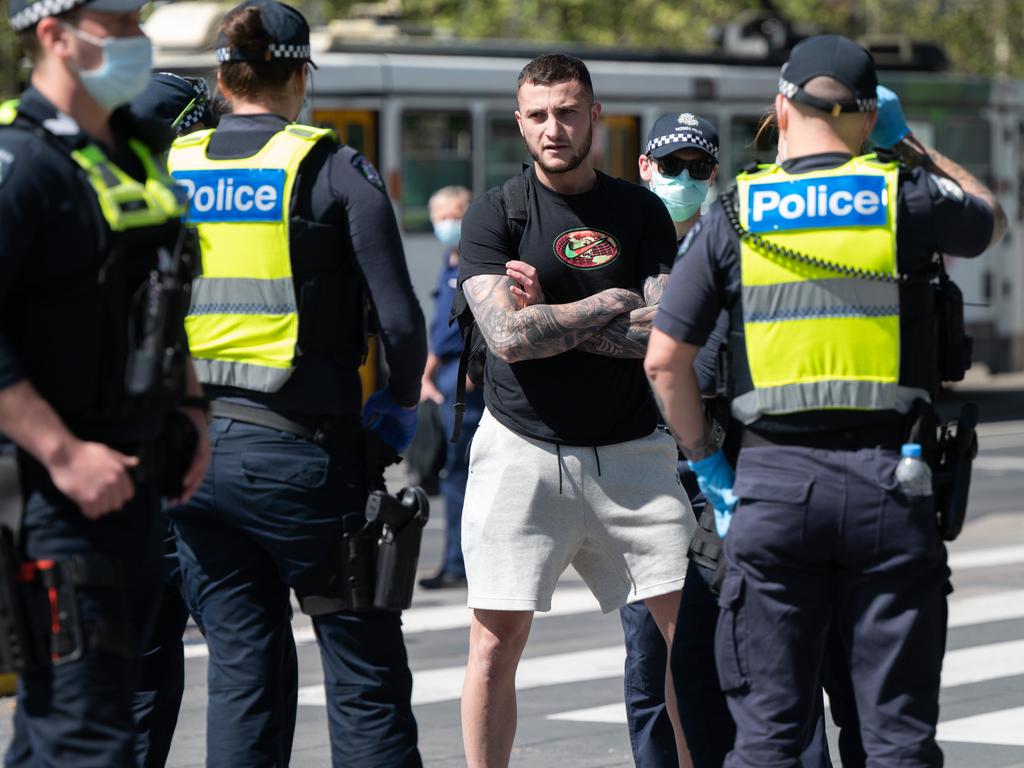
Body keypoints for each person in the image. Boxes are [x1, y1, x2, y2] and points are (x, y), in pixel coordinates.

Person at [646, 34, 1006, 768]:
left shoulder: (737, 213)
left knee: (771, 737)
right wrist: (908, 146)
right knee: (896, 739)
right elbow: (987, 216)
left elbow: (665, 362)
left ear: (782, 108)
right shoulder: (901, 197)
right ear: (870, 119)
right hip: (891, 481)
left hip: (772, 489)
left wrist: (713, 471)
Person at [166, 1, 426, 766]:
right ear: (301, 74)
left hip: (193, 465)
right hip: (305, 462)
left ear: (222, 76)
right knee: (364, 672)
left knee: (242, 672)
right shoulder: (331, 166)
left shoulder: (171, 168)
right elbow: (402, 327)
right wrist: (397, 413)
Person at [457, 53, 695, 767]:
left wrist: (552, 318)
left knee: (694, 637)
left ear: (595, 115)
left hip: (634, 456)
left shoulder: (640, 211)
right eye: (538, 115)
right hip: (521, 451)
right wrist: (612, 300)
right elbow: (505, 339)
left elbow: (661, 332)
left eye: (567, 111)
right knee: (494, 646)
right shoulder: (495, 212)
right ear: (520, 123)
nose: (553, 128)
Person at [0, 0, 210, 764]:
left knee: (63, 729)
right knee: (89, 740)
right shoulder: (21, 165)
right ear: (54, 35)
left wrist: (190, 412)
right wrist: (61, 452)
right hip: (56, 501)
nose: (137, 44)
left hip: (134, 486)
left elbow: (160, 292)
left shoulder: (133, 156)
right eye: (117, 29)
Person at [125, 71, 301, 768]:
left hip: (129, 470)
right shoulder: (230, 207)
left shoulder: (104, 206)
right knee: (246, 657)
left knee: (137, 664)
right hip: (215, 455)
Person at [418, 185, 483, 590]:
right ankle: (453, 561)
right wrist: (425, 373)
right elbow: (441, 328)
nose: (448, 222)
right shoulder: (449, 261)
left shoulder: (476, 262)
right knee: (451, 472)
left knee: (461, 472)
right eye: (441, 215)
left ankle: (459, 565)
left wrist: (474, 369)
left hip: (465, 379)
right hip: (445, 376)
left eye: (456, 213)